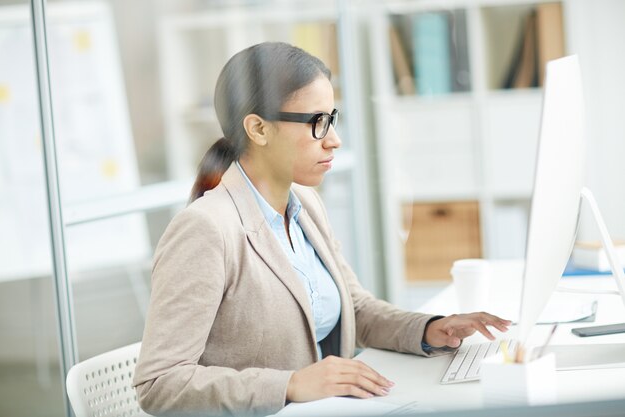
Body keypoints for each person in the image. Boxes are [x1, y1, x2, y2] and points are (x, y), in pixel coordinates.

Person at [133, 42, 511, 416]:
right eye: (317, 122)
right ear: (258, 129)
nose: (334, 139)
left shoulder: (306, 205)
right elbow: (159, 384)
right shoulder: (206, 229)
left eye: (332, 118)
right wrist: (291, 384)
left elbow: (355, 309)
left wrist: (429, 330)